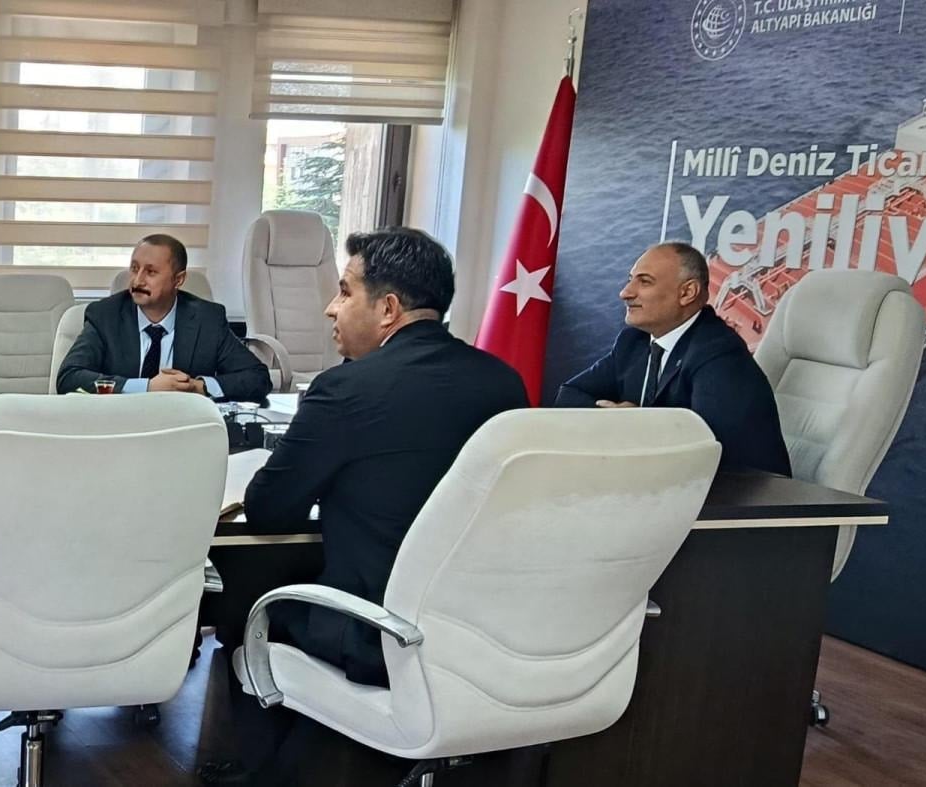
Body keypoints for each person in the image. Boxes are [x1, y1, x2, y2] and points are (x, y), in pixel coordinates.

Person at [203, 227, 528, 786]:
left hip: (380, 635)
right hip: (483, 636)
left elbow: (270, 510)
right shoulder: (504, 382)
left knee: (246, 614)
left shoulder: (345, 390)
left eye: (344, 291)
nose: (331, 308)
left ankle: (267, 777)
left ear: (388, 309)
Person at [555, 241, 790, 476]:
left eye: (644, 282)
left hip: (741, 491)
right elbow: (570, 395)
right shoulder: (633, 342)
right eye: (630, 279)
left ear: (687, 293)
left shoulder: (719, 353)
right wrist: (613, 421)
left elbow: (708, 449)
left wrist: (635, 426)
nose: (625, 293)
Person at [56, 234, 271, 402]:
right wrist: (147, 387)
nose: (137, 281)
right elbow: (69, 377)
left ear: (178, 279)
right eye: (134, 269)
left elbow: (257, 378)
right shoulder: (105, 315)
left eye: (151, 272)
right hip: (120, 427)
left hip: (183, 430)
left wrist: (198, 387)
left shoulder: (207, 319)